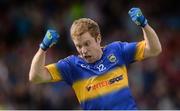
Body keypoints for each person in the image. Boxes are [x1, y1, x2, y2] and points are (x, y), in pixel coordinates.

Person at [29, 7, 162, 109]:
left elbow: (154, 49)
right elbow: (36, 76)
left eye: (87, 43)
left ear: (98, 39)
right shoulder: (71, 66)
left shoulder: (117, 50)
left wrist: (144, 24)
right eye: (79, 46)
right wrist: (43, 48)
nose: (83, 50)